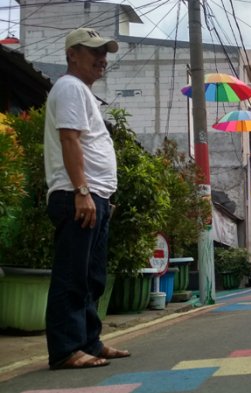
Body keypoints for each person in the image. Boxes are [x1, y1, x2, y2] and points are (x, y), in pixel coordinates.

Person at [44, 27, 129, 370]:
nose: (101, 58)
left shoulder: (82, 92)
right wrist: (82, 191)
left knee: (92, 276)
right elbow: (69, 140)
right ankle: (66, 350)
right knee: (72, 274)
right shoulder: (69, 87)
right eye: (93, 51)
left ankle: (89, 342)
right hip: (76, 194)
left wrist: (103, 196)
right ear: (71, 55)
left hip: (95, 196)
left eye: (104, 52)